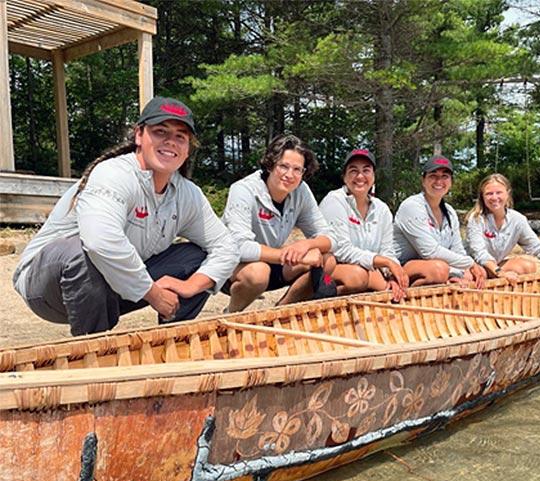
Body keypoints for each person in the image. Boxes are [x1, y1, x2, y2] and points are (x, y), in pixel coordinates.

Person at [13, 96, 238, 336]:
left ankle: (172, 342)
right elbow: (100, 242)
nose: (171, 142)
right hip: (50, 288)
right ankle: (95, 353)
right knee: (81, 253)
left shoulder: (187, 194)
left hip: (115, 288)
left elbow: (226, 246)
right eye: (161, 131)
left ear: (187, 148)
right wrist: (152, 293)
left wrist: (191, 285)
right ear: (139, 135)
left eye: (180, 136)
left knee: (195, 256)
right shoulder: (113, 174)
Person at [222, 134, 337, 312]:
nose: (289, 175)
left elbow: (330, 237)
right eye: (283, 166)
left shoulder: (301, 191)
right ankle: (231, 314)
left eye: (297, 169)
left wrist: (307, 244)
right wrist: (287, 254)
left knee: (326, 259)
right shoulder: (243, 190)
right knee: (258, 273)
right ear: (270, 165)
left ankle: (281, 311)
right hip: (234, 265)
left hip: (274, 262)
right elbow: (239, 246)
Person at [319, 149, 408, 301]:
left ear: (373, 177)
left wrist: (391, 275)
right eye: (353, 171)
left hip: (366, 271)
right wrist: (384, 263)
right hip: (328, 272)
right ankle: (316, 297)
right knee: (357, 278)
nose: (360, 176)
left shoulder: (382, 209)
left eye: (366, 170)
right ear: (344, 177)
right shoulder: (334, 201)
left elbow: (387, 250)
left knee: (388, 288)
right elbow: (342, 250)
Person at [466, 173, 540, 284]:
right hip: (473, 266)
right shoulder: (476, 219)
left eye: (499, 193)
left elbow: (537, 247)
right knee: (474, 275)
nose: (494, 197)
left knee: (528, 266)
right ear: (482, 196)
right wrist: (500, 272)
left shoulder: (518, 219)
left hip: (495, 266)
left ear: (508, 194)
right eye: (489, 194)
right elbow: (479, 253)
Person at [393, 155, 486, 288]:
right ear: (423, 180)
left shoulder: (449, 212)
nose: (439, 181)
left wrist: (462, 272)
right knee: (439, 270)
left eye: (444, 176)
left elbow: (457, 249)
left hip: (436, 265)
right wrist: (468, 264)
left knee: (476, 273)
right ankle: (405, 301)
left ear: (451, 181)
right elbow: (429, 252)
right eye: (433, 175)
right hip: (403, 266)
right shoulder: (412, 206)